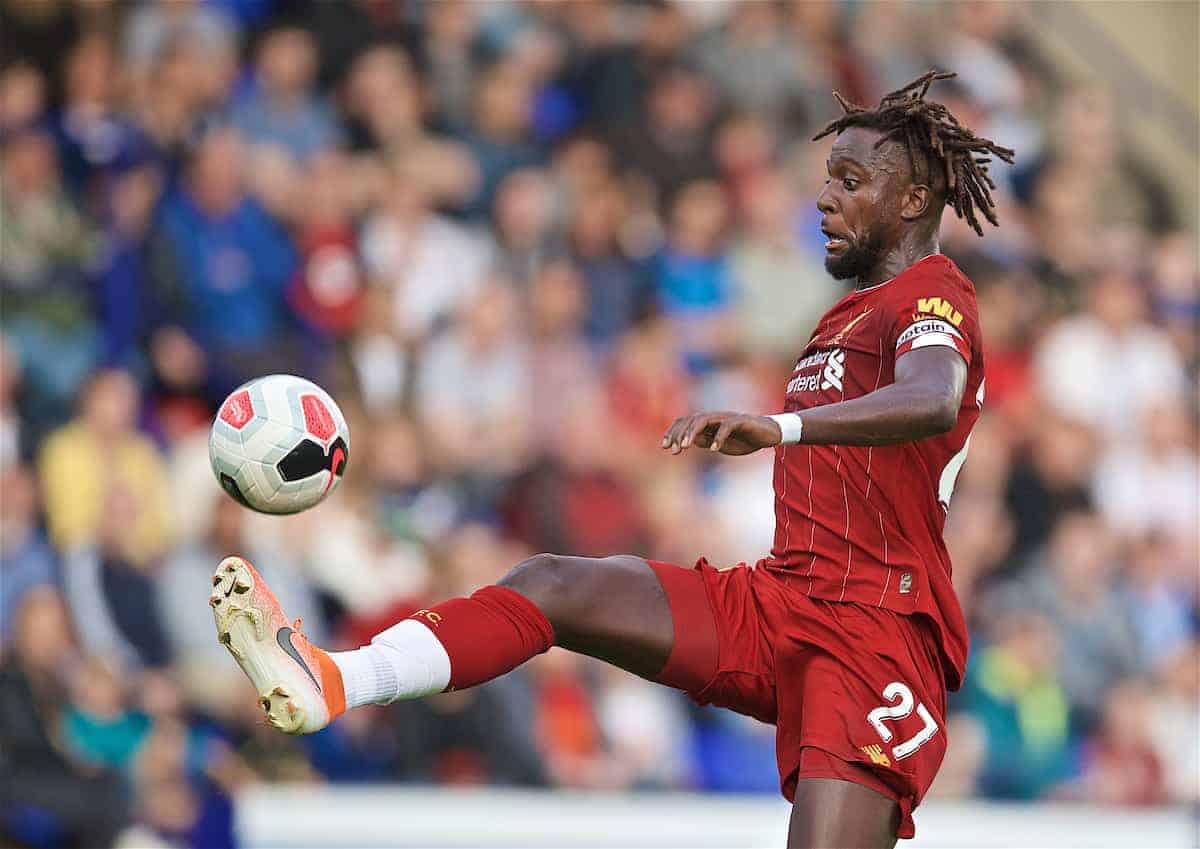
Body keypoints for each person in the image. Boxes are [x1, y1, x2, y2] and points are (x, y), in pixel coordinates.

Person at [207, 71, 1012, 849]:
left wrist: (779, 429)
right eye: (826, 178)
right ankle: (337, 678)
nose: (824, 198)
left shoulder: (935, 292)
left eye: (849, 181)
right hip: (780, 602)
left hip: (873, 635)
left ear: (912, 200)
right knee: (551, 583)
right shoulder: (842, 315)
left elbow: (935, 396)